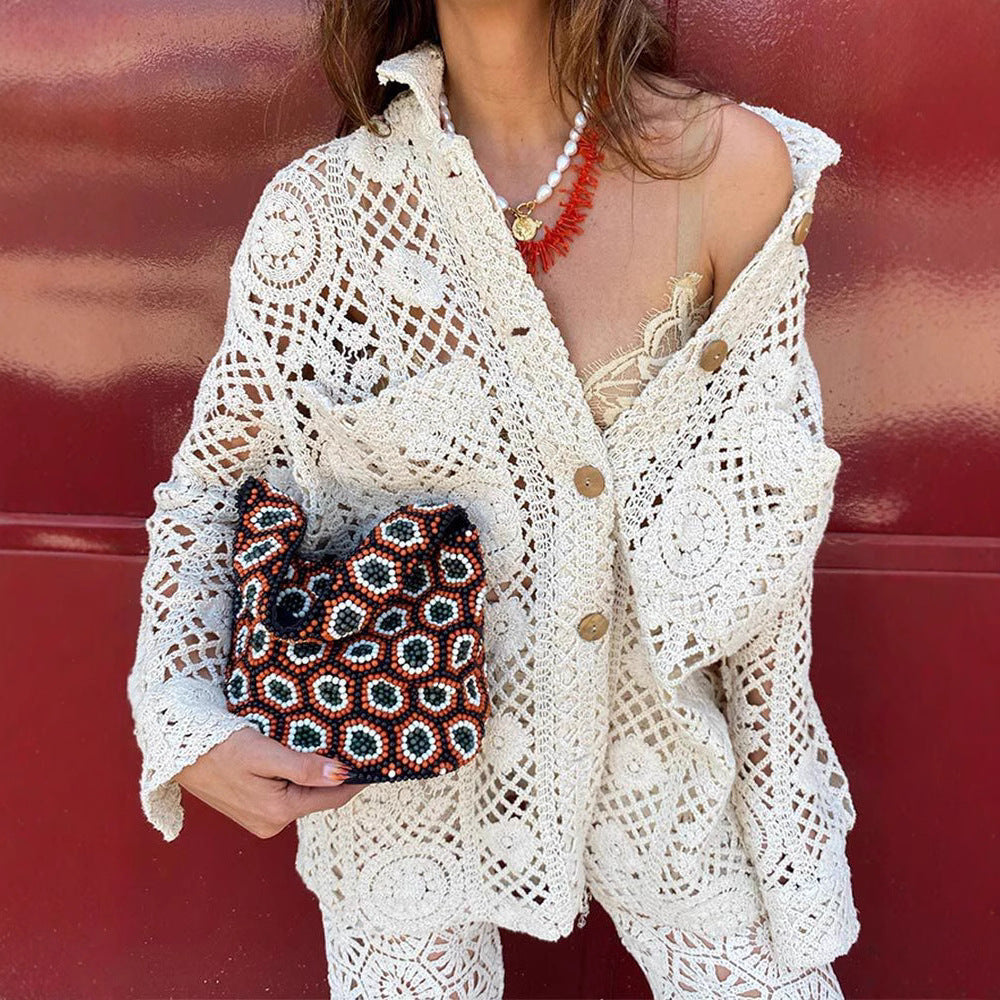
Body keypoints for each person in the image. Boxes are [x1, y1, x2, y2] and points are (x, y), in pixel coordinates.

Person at [127, 1, 860, 997]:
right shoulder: (324, 213)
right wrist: (179, 712)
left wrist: (780, 829)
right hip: (397, 773)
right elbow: (215, 483)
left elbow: (769, 532)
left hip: (670, 773)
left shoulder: (725, 169)